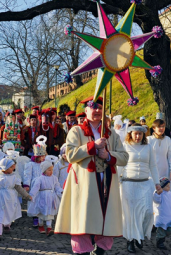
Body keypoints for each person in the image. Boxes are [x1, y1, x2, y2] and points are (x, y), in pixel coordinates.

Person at [55, 96, 129, 255]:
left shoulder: (112, 134)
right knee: (83, 221)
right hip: (85, 186)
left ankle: (99, 251)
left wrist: (108, 155)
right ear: (86, 110)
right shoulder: (76, 131)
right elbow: (70, 155)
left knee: (105, 221)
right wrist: (92, 147)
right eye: (93, 107)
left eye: (100, 108)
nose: (97, 111)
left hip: (107, 184)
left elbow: (124, 158)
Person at [121, 123, 160, 253]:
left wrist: (157, 183)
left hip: (145, 183)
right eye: (135, 133)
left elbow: (153, 166)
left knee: (148, 212)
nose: (137, 136)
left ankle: (140, 235)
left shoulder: (148, 147)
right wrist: (114, 183)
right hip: (128, 184)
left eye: (140, 133)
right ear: (130, 134)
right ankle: (131, 240)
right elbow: (120, 166)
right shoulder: (125, 146)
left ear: (143, 134)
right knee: (131, 214)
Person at [0, 158, 32, 241]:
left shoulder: (14, 177)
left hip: (11, 198)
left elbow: (19, 188)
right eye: (11, 167)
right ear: (5, 168)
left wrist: (26, 196)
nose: (13, 169)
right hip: (0, 198)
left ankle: (7, 225)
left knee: (9, 212)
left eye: (14, 167)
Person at [27, 160, 63, 236]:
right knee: (41, 212)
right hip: (42, 197)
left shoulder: (54, 178)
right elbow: (35, 188)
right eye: (49, 170)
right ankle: (41, 225)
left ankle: (49, 228)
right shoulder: (40, 179)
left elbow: (57, 187)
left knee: (50, 213)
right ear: (44, 170)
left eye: (52, 170)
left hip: (51, 198)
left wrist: (61, 191)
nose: (51, 171)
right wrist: (31, 195)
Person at [147, 119, 171, 192]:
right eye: (159, 127)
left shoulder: (167, 139)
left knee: (166, 190)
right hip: (152, 169)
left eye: (163, 127)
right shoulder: (149, 140)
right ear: (154, 128)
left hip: (165, 169)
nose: (162, 129)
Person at [153, 177, 171, 250]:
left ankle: (161, 237)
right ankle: (160, 241)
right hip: (162, 216)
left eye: (169, 186)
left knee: (170, 230)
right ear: (162, 186)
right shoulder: (160, 194)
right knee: (161, 230)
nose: (169, 187)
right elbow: (156, 201)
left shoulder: (170, 194)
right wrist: (158, 193)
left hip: (169, 216)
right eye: (167, 186)